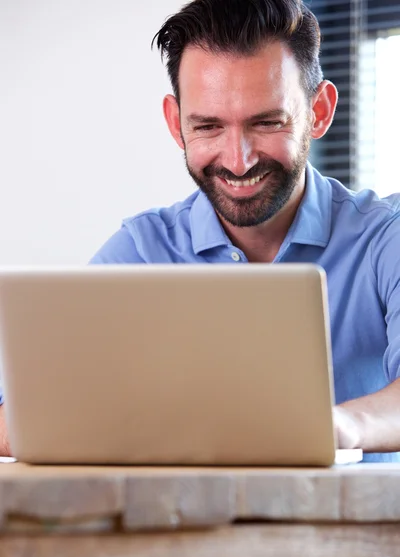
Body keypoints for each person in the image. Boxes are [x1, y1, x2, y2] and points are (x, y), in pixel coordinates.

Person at [1, 0, 400, 461]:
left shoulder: (385, 237)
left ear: (320, 111)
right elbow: (23, 408)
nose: (237, 159)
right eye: (208, 126)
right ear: (176, 124)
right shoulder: (142, 252)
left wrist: (337, 425)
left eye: (267, 122)